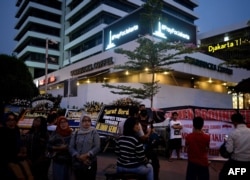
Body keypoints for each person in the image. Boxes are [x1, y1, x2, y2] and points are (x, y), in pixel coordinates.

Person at [0, 112, 33, 179]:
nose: (12, 122)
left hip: (18, 155)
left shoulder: (16, 129)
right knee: (21, 177)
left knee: (30, 175)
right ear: (5, 121)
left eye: (13, 119)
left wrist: (23, 151)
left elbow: (19, 142)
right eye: (9, 120)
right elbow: (4, 148)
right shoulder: (2, 131)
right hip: (8, 157)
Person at [219, 113, 250, 180]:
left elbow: (229, 150)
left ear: (234, 122)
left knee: (222, 176)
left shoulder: (233, 133)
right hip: (248, 163)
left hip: (236, 163)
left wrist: (225, 144)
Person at [69, 115, 100, 180]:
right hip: (78, 163)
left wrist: (87, 155)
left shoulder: (94, 132)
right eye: (84, 121)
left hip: (90, 162)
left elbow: (97, 147)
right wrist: (78, 156)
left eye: (89, 121)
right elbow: (71, 147)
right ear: (81, 122)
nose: (87, 123)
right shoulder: (76, 133)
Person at [24, 116, 50, 180]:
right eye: (35, 120)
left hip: (41, 161)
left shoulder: (45, 134)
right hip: (29, 159)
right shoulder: (29, 134)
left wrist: (40, 159)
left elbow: (46, 148)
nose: (35, 122)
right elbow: (25, 146)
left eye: (38, 121)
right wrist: (27, 158)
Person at [47, 116, 73, 180]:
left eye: (65, 122)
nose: (63, 124)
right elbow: (48, 146)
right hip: (58, 161)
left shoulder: (72, 133)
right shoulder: (55, 133)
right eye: (61, 122)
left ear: (68, 123)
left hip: (70, 161)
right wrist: (58, 148)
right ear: (58, 124)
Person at [139, 109, 160, 180]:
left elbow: (152, 129)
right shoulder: (137, 122)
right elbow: (143, 135)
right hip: (141, 142)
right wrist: (148, 133)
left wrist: (153, 133)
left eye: (145, 115)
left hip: (148, 143)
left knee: (154, 162)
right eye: (143, 115)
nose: (144, 117)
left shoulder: (149, 121)